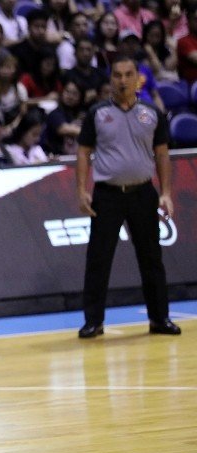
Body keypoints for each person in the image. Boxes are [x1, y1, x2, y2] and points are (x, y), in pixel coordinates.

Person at [76, 55, 181, 339]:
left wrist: (167, 193)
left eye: (127, 74)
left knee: (151, 258)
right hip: (107, 194)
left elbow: (162, 153)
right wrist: (82, 191)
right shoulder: (97, 113)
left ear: (138, 79)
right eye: (117, 75)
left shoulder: (152, 113)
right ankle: (93, 322)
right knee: (98, 259)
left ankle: (159, 319)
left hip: (143, 193)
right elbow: (83, 152)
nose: (122, 80)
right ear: (111, 79)